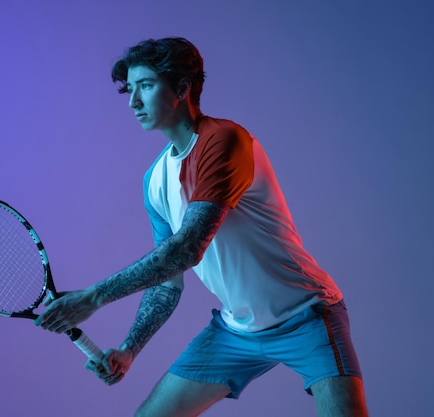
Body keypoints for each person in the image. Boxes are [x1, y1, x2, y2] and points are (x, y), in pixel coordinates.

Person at [35, 37, 368, 417]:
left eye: (145, 86)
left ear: (181, 88)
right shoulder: (155, 180)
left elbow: (185, 250)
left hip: (307, 315)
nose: (133, 102)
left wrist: (93, 297)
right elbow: (167, 280)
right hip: (236, 332)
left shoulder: (224, 141)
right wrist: (129, 349)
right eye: (130, 89)